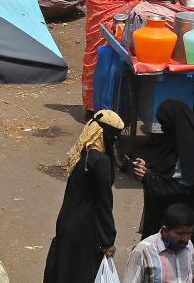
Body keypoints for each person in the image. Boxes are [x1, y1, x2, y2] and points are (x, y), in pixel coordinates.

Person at [131, 99, 194, 269]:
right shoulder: (180, 142)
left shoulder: (191, 154)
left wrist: (149, 178)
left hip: (180, 225)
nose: (163, 129)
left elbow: (182, 189)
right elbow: (167, 171)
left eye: (164, 124)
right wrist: (149, 169)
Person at [45, 110, 124, 283]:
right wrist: (108, 239)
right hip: (86, 229)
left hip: (67, 222)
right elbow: (104, 203)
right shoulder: (101, 161)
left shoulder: (81, 152)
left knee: (65, 271)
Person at [121, 202, 194, 283]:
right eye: (180, 233)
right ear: (165, 231)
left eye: (189, 233)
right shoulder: (142, 252)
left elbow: (192, 276)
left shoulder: (188, 245)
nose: (185, 239)